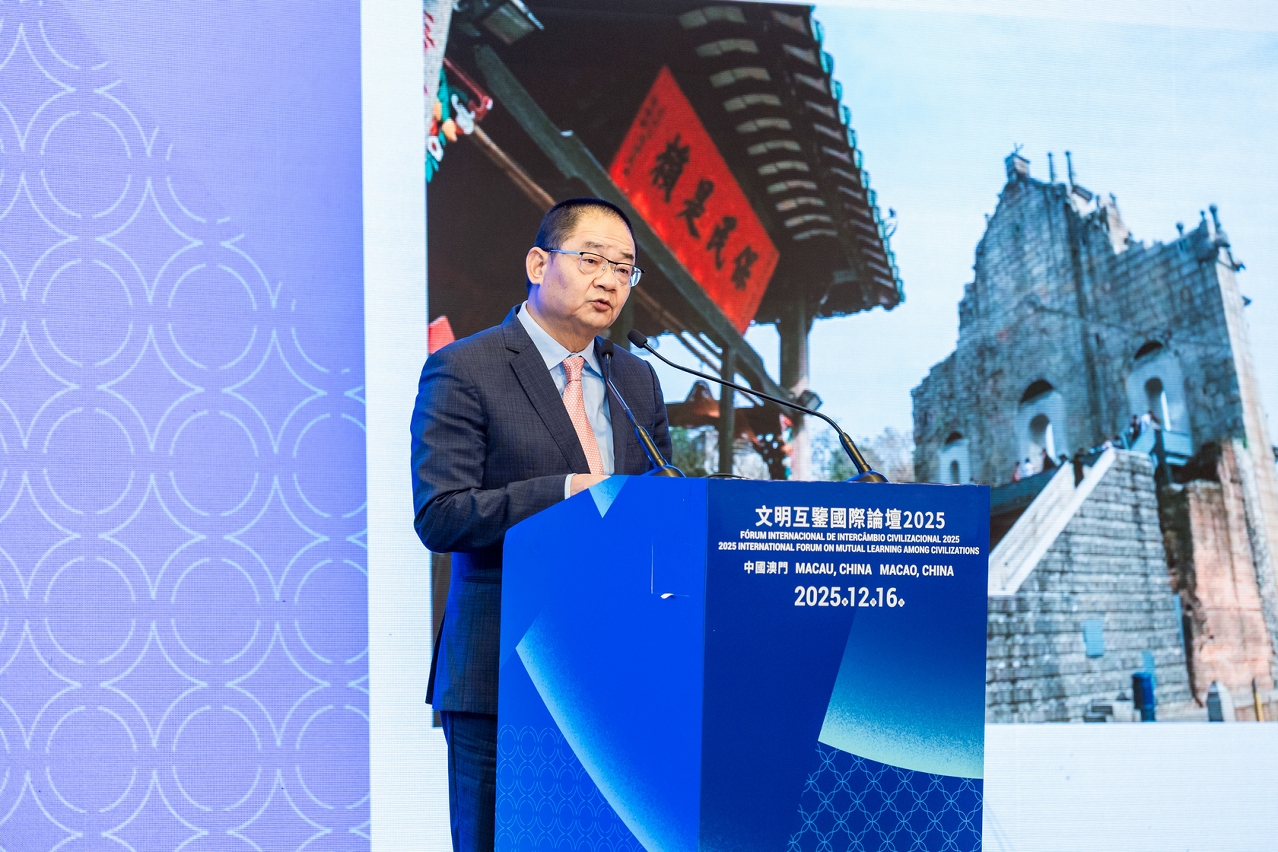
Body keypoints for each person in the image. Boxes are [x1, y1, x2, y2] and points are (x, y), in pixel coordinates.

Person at [411, 198, 672, 852]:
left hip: (614, 670)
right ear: (538, 263)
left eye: (625, 269)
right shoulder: (466, 367)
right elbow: (441, 514)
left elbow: (658, 509)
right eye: (592, 260)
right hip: (504, 672)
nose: (609, 281)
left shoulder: (636, 379)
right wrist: (563, 494)